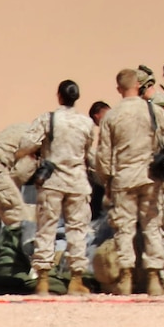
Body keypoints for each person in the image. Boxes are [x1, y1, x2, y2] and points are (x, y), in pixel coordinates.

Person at [91, 66, 164, 294]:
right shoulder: (152, 110)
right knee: (151, 226)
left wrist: (107, 181)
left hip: (123, 178)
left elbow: (102, 155)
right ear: (137, 85)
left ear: (119, 88)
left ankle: (126, 278)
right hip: (150, 176)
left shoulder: (111, 116)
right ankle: (153, 278)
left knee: (125, 229)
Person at [31, 79, 96, 297]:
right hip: (77, 182)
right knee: (77, 230)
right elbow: (87, 151)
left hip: (52, 182)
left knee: (46, 229)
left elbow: (27, 143)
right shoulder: (86, 123)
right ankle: (76, 279)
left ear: (59, 96)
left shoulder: (48, 119)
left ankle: (42, 281)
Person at [0, 104, 49, 254]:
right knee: (21, 222)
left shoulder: (20, 127)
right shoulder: (35, 140)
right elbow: (18, 175)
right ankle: (21, 267)